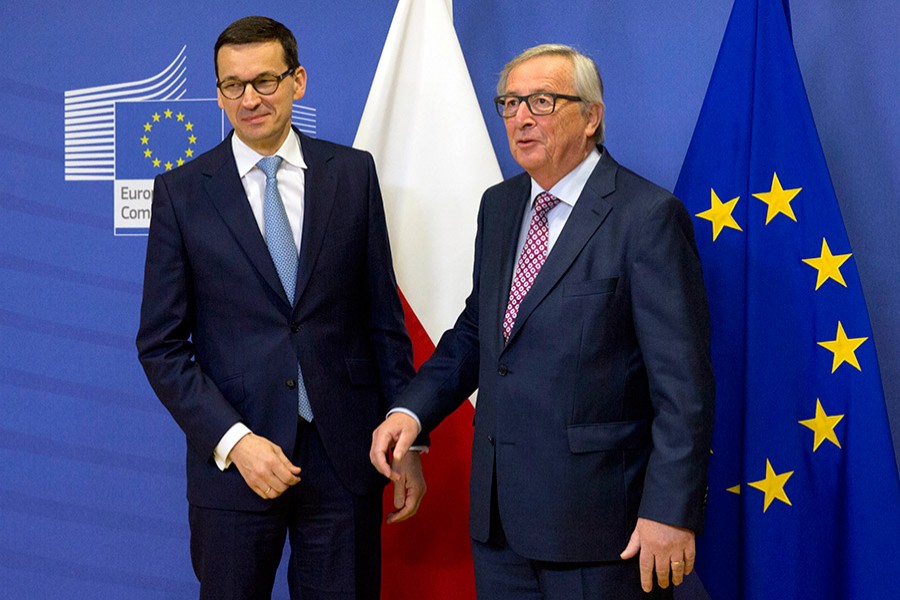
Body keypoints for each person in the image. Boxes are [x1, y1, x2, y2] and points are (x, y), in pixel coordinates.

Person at [370, 44, 714, 599]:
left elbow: (684, 389)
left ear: (592, 116)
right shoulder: (501, 205)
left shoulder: (646, 216)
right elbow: (480, 333)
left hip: (603, 531)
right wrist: (412, 410)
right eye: (510, 102)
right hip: (500, 527)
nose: (521, 117)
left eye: (542, 101)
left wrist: (669, 512)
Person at [136, 16, 424, 600]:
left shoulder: (352, 174)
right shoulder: (181, 192)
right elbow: (161, 345)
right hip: (238, 465)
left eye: (265, 81)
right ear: (217, 93)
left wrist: (408, 445)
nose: (249, 99)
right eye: (232, 85)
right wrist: (235, 440)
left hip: (346, 457)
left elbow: (382, 322)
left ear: (298, 81)